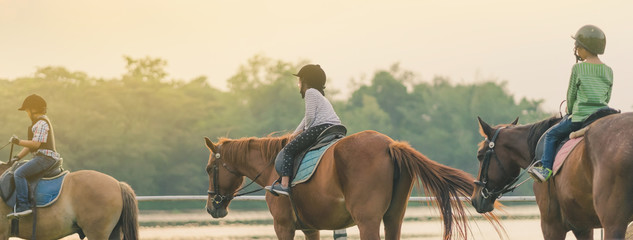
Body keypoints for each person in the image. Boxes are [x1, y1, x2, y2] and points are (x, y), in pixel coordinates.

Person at [528, 25, 613, 182]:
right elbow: (607, 96)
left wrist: (570, 109)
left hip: (581, 118)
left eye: (578, 46)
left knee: (551, 135)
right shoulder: (608, 70)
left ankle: (546, 169)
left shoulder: (578, 69)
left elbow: (571, 95)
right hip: (602, 117)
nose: (576, 49)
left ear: (585, 48)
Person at [265, 64, 342, 196]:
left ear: (305, 80)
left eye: (299, 80)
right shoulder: (320, 95)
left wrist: (306, 130)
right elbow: (306, 117)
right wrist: (295, 133)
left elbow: (310, 117)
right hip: (333, 127)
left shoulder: (310, 92)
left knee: (289, 149)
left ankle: (284, 185)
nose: (298, 84)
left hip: (321, 127)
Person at [7, 94, 62, 218]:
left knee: (19, 174)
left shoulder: (41, 123)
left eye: (26, 110)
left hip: (45, 158)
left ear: (33, 110)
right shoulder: (37, 124)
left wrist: (18, 141)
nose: (26, 113)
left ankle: (23, 206)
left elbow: (36, 144)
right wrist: (17, 157)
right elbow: (30, 146)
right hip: (41, 157)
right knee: (17, 168)